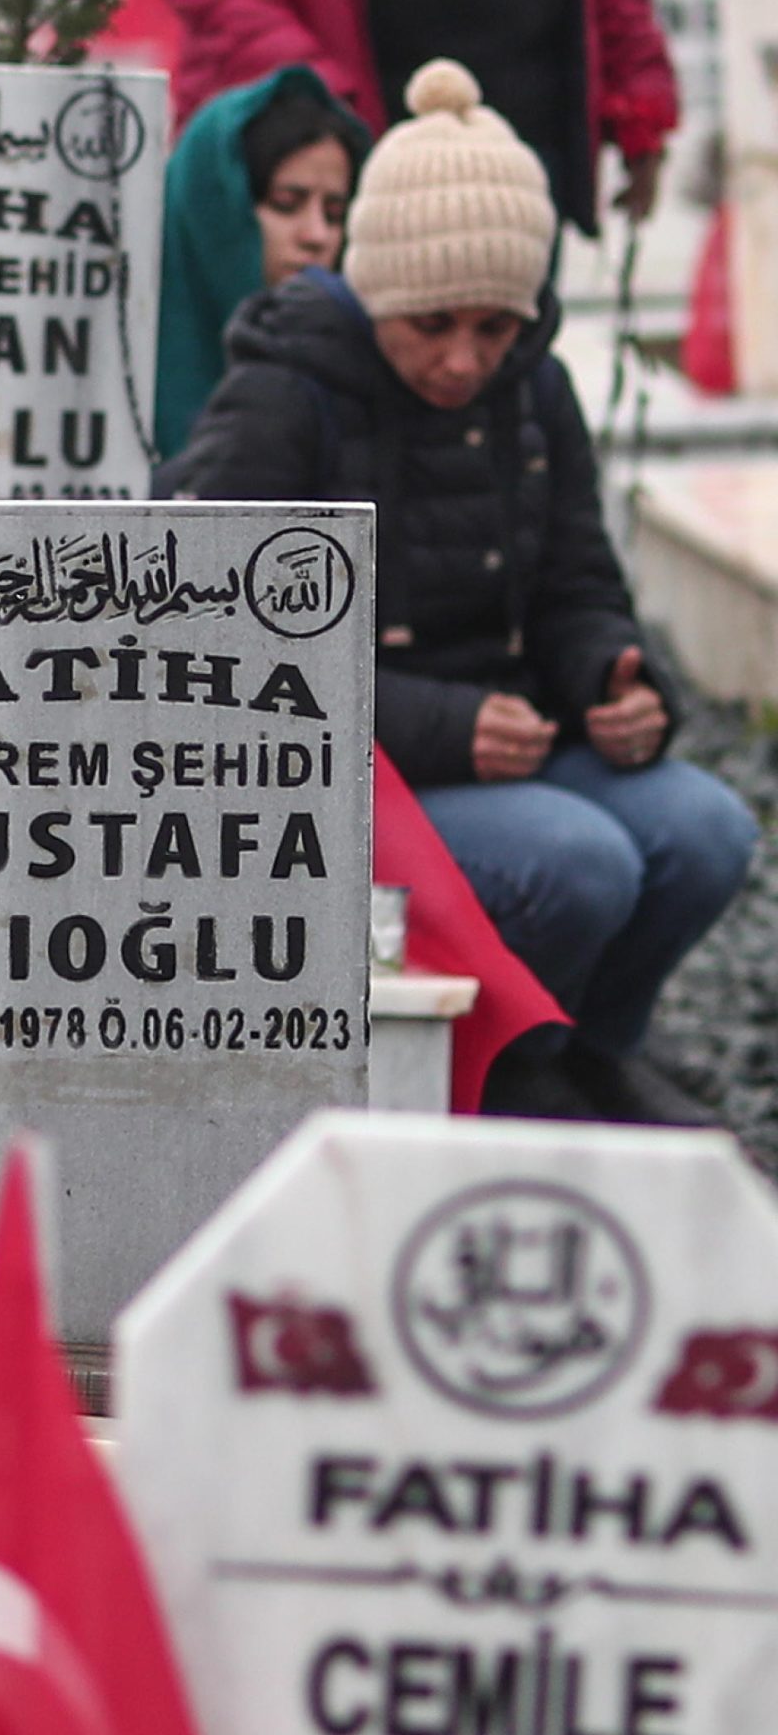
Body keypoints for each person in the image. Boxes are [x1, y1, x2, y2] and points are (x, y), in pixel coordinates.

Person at [162, 59, 754, 1124]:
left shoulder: (536, 386)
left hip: (509, 731)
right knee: (577, 865)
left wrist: (620, 683)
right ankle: (510, 1070)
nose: (463, 358)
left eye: (495, 326)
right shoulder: (284, 393)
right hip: (354, 772)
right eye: (431, 324)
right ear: (378, 287)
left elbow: (580, 581)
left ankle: (585, 1051)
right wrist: (446, 725)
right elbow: (211, 652)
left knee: (705, 829)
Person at [144, 0, 681, 235]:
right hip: (322, 162)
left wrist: (639, 97)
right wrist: (311, 91)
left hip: (518, 153)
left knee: (497, 408)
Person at [157, 64, 371, 458]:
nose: (316, 236)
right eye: (286, 204)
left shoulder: (365, 376)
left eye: (335, 213)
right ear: (216, 211)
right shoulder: (115, 377)